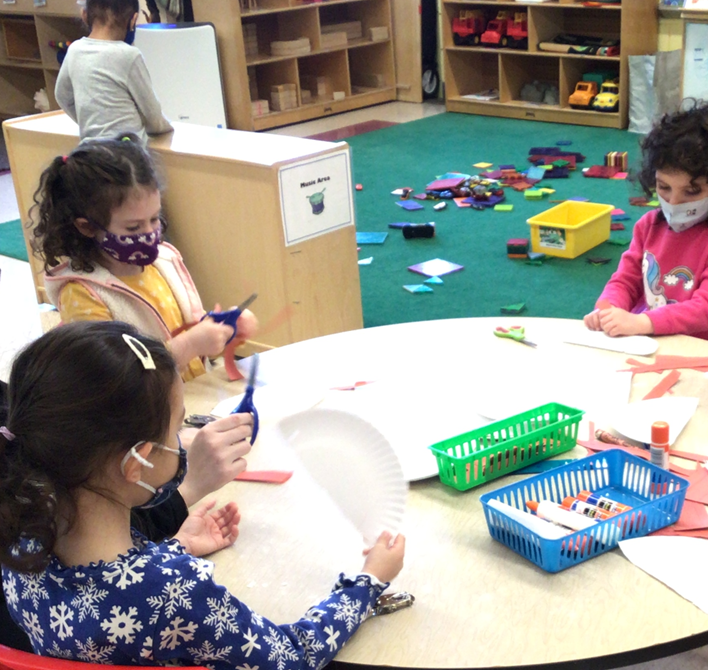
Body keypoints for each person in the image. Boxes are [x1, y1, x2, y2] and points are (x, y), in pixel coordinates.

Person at [0, 321, 406, 668]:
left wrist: (174, 547)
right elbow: (290, 656)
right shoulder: (174, 591)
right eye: (176, 429)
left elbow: (107, 590)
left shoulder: (23, 533)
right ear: (136, 463)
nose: (180, 442)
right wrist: (367, 583)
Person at [29, 134, 256, 381]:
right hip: (143, 415)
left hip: (189, 396)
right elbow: (115, 377)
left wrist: (224, 328)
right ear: (87, 227)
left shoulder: (164, 263)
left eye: (154, 218)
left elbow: (188, 325)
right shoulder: (82, 295)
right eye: (133, 228)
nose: (149, 233)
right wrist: (189, 345)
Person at [584, 101, 708, 347]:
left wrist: (643, 323)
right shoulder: (648, 226)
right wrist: (608, 308)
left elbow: (707, 309)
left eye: (692, 191)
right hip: (649, 341)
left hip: (705, 352)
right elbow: (625, 280)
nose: (674, 202)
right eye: (664, 187)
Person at [55, 0, 173, 143]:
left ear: (84, 15)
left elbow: (62, 96)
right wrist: (167, 128)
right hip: (127, 155)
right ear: (133, 20)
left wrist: (90, 123)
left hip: (89, 153)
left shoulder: (74, 50)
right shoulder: (129, 56)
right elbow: (153, 117)